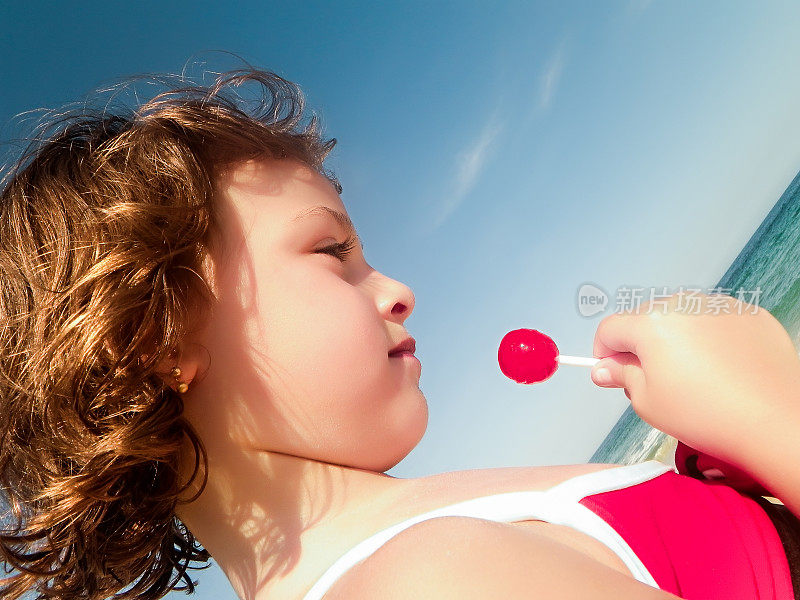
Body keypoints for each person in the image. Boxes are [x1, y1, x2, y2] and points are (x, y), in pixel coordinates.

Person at [0, 67, 798, 600]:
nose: (398, 290)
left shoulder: (434, 544)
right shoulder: (429, 582)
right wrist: (770, 411)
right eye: (332, 251)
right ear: (162, 344)